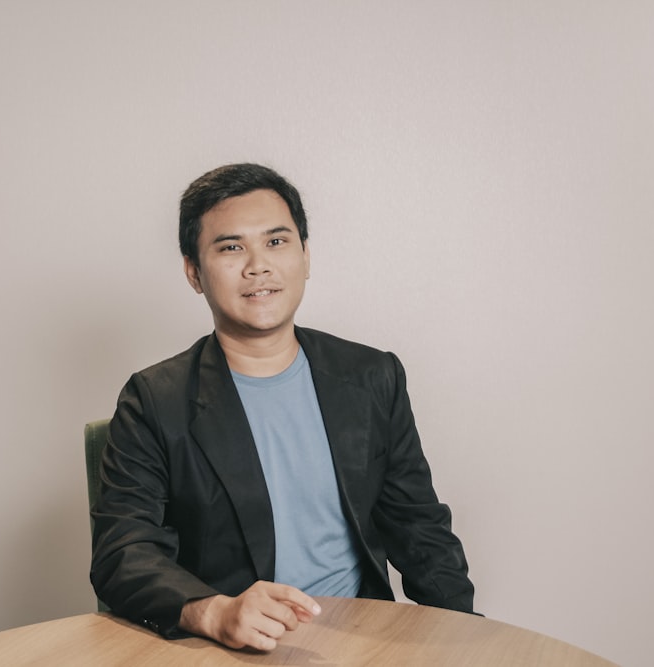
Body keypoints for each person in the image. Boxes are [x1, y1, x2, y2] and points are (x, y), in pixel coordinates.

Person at [90, 163, 475, 652]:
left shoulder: (372, 377)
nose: (258, 266)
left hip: (360, 640)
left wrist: (468, 641)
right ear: (193, 272)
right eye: (231, 247)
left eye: (276, 242)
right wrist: (216, 612)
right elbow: (123, 553)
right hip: (227, 649)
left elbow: (422, 532)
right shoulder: (153, 400)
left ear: (305, 255)